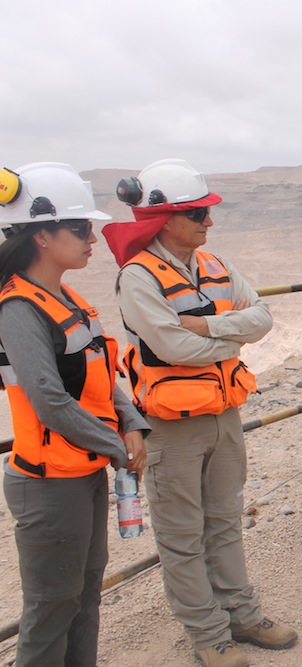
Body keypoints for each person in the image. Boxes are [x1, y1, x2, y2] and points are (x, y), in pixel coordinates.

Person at [106, 158, 296, 667]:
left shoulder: (215, 266)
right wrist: (229, 333)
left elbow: (261, 319)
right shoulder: (137, 276)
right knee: (183, 534)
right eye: (198, 214)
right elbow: (170, 348)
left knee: (225, 520)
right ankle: (208, 635)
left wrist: (207, 328)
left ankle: (243, 614)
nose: (209, 223)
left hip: (222, 415)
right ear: (165, 219)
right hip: (171, 427)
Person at [0, 162, 148, 667]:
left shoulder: (69, 298)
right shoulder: (19, 309)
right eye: (81, 228)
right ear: (41, 235)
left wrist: (131, 424)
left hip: (83, 470)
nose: (93, 237)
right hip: (48, 482)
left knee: (85, 595)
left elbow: (104, 377)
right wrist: (118, 448)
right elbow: (49, 401)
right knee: (51, 605)